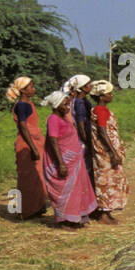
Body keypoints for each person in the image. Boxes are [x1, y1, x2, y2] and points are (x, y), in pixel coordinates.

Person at [41, 87, 97, 229]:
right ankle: (64, 220)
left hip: (74, 161)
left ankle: (75, 217)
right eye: (65, 105)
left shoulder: (64, 118)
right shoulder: (53, 119)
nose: (67, 107)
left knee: (77, 189)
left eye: (68, 104)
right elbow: (53, 141)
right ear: (56, 105)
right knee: (65, 191)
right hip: (64, 161)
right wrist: (61, 163)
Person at [6, 76, 47, 219]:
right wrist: (33, 148)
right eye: (30, 86)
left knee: (37, 175)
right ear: (23, 90)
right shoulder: (22, 105)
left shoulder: (27, 103)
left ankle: (36, 206)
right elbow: (23, 127)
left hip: (33, 141)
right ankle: (26, 210)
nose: (33, 88)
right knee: (28, 178)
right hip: (27, 144)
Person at [87, 81, 128, 223]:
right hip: (105, 153)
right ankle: (104, 213)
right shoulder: (101, 110)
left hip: (102, 151)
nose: (111, 96)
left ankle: (106, 211)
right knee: (107, 181)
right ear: (102, 96)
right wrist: (113, 152)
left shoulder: (97, 110)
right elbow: (103, 131)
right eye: (109, 94)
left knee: (105, 180)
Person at [64, 74, 95, 193]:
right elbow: (81, 124)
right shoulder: (80, 103)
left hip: (82, 138)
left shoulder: (81, 100)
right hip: (83, 140)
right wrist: (87, 141)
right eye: (88, 84)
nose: (91, 86)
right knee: (86, 168)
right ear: (82, 87)